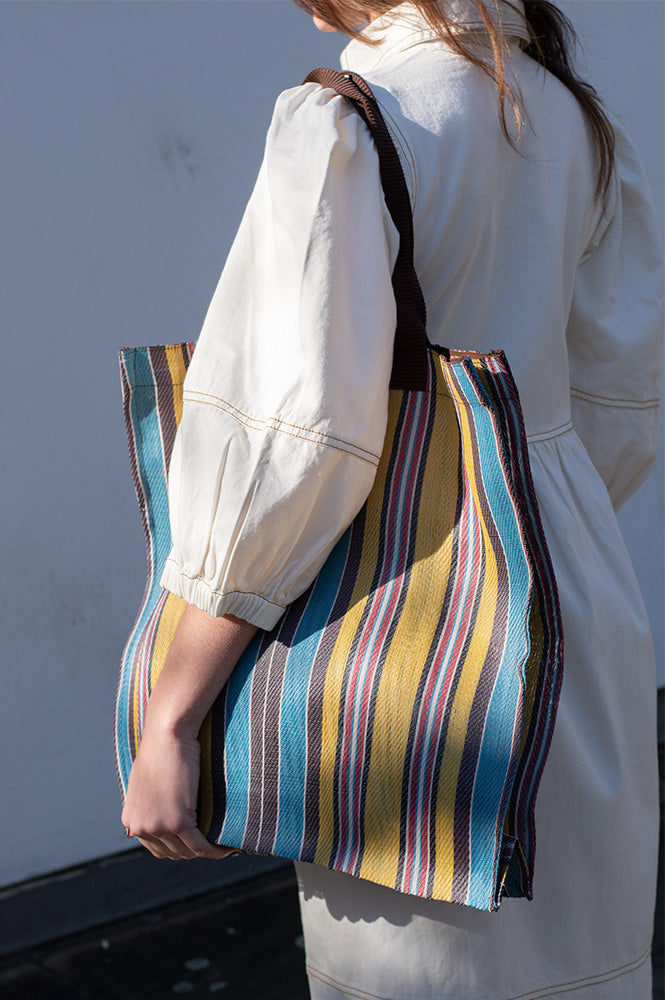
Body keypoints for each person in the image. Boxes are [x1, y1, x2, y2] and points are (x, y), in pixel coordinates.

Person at [121, 1, 664, 997]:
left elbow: (294, 440)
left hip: (409, 649)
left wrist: (170, 716)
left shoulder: (347, 119)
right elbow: (618, 401)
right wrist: (519, 522)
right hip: (572, 609)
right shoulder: (567, 114)